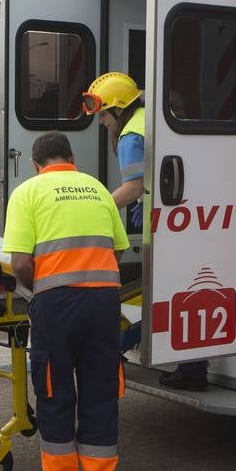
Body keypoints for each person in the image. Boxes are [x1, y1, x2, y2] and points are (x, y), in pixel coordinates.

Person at [3, 132, 130, 471]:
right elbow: (119, 248)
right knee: (100, 389)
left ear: (36, 163)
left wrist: (39, 291)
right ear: (71, 157)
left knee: (56, 391)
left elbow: (20, 263)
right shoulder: (96, 189)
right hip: (104, 301)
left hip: (57, 305)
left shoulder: (28, 192)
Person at [82, 72, 209, 392]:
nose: (101, 122)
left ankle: (115, 349)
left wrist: (99, 207)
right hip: (195, 214)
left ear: (117, 109)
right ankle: (194, 368)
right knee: (186, 292)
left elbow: (133, 186)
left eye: (103, 114)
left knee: (163, 294)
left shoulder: (130, 136)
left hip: (172, 220)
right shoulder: (152, 117)